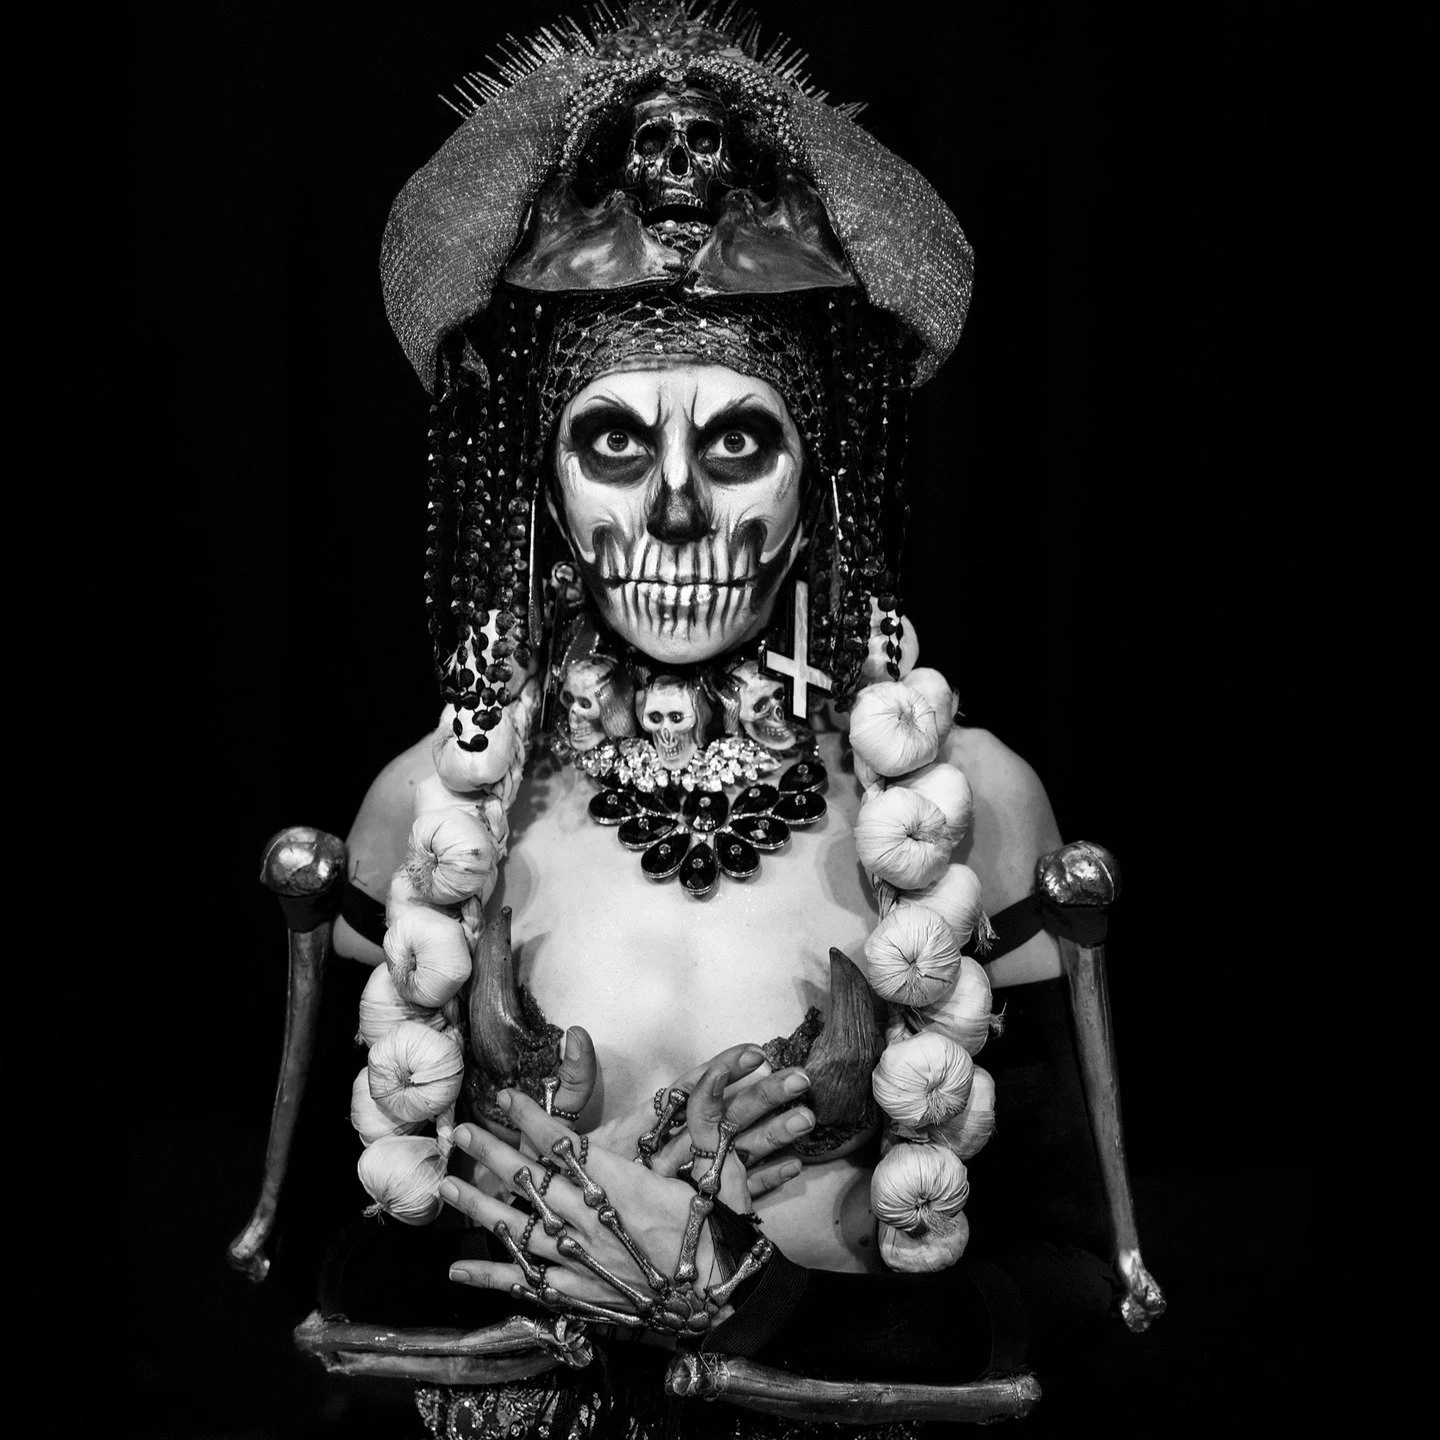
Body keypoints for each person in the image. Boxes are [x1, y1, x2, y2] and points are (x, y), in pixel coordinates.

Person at [283, 6, 1164, 1434]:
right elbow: (328, 1281)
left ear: (818, 485)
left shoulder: (969, 810)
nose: (680, 508)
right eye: (616, 443)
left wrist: (753, 1298)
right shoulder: (432, 812)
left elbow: (1091, 1296)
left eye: (740, 440)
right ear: (548, 491)